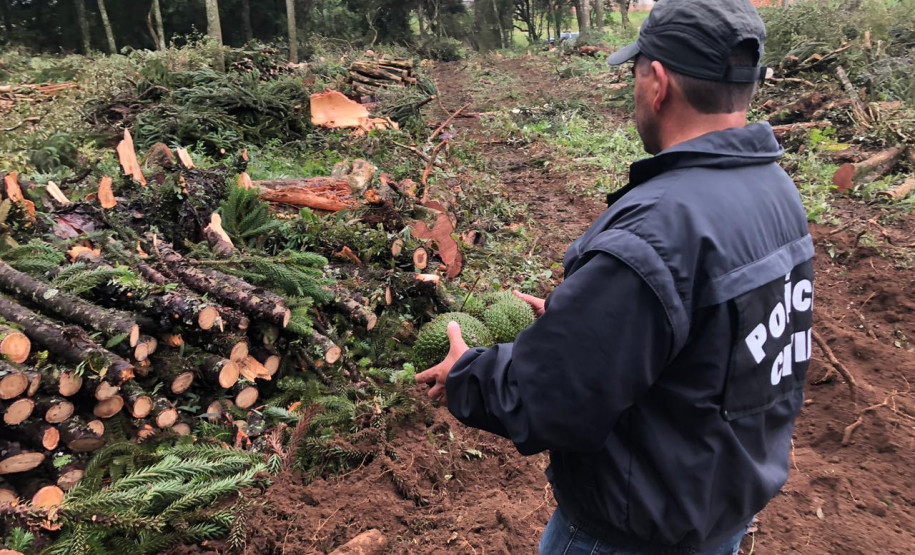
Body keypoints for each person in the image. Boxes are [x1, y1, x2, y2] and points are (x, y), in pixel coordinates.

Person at [415, 0, 815, 553]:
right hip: (716, 514)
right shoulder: (777, 192)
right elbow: (719, 347)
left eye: (635, 73)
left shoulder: (660, 227)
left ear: (658, 83)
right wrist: (594, 322)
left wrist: (468, 373)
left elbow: (552, 398)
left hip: (631, 532)